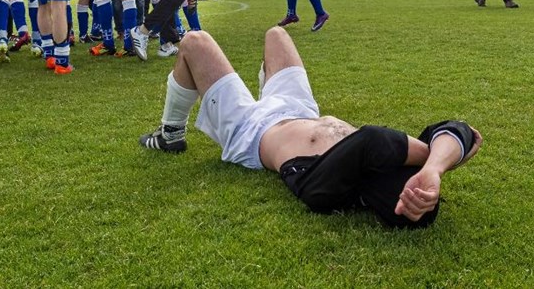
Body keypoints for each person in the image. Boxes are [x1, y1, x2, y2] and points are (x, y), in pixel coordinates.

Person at [138, 27, 483, 229]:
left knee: (195, 42)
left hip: (249, 130)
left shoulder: (322, 187)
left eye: (409, 192)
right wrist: (435, 168)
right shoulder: (414, 162)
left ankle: (170, 133)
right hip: (298, 107)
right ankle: (265, 89)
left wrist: (429, 163)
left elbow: (373, 141)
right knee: (276, 34)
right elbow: (464, 131)